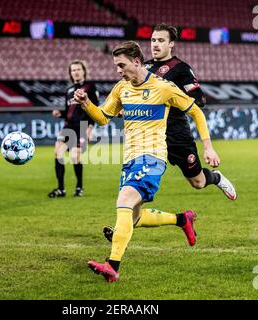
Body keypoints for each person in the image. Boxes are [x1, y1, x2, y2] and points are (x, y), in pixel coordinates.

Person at [74, 41, 217, 282]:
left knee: (125, 201)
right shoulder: (121, 89)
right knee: (134, 217)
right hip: (130, 159)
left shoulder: (163, 88)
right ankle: (183, 219)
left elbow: (196, 112)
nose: (118, 71)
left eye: (122, 65)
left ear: (137, 62)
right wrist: (87, 104)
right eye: (116, 66)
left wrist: (208, 146)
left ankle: (112, 265)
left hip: (151, 157)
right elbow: (103, 118)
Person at [102, 23, 237, 243]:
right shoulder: (141, 67)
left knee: (198, 182)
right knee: (134, 194)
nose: (155, 44)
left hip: (177, 136)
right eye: (153, 40)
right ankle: (123, 227)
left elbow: (198, 102)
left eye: (161, 40)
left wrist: (207, 145)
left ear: (171, 44)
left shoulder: (180, 68)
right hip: (149, 140)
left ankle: (216, 178)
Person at [48, 60, 99, 198]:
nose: (75, 72)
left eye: (78, 69)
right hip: (68, 126)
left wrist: (90, 127)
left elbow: (95, 109)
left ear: (84, 71)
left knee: (74, 156)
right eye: (73, 70)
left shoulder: (90, 87)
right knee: (58, 153)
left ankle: (79, 187)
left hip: (81, 127)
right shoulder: (69, 90)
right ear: (70, 73)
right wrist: (60, 113)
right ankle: (61, 189)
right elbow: (68, 110)